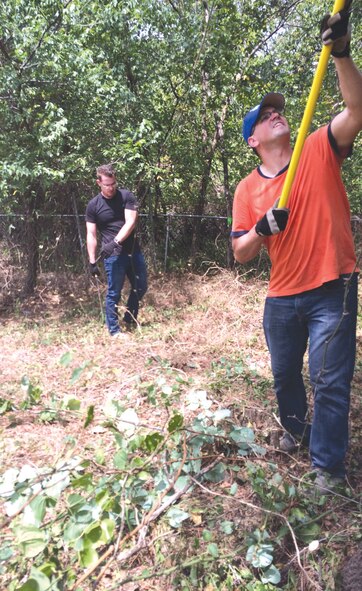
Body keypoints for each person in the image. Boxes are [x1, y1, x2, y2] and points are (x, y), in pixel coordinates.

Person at [231, 4, 361, 493]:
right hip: (281, 297)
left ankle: (327, 468)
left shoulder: (318, 146)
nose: (276, 115)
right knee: (285, 374)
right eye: (264, 117)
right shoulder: (246, 189)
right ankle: (295, 431)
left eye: (276, 110)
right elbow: (241, 252)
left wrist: (343, 55)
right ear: (252, 141)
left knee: (328, 379)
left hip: (332, 286)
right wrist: (262, 227)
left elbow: (357, 111)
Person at [86, 164, 148, 337]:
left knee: (141, 286)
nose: (111, 187)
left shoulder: (126, 196)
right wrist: (92, 261)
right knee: (114, 292)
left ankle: (129, 318)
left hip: (133, 251)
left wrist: (115, 241)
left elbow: (131, 222)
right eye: (107, 184)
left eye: (113, 183)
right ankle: (114, 331)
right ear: (99, 182)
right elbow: (91, 234)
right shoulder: (93, 206)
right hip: (112, 256)